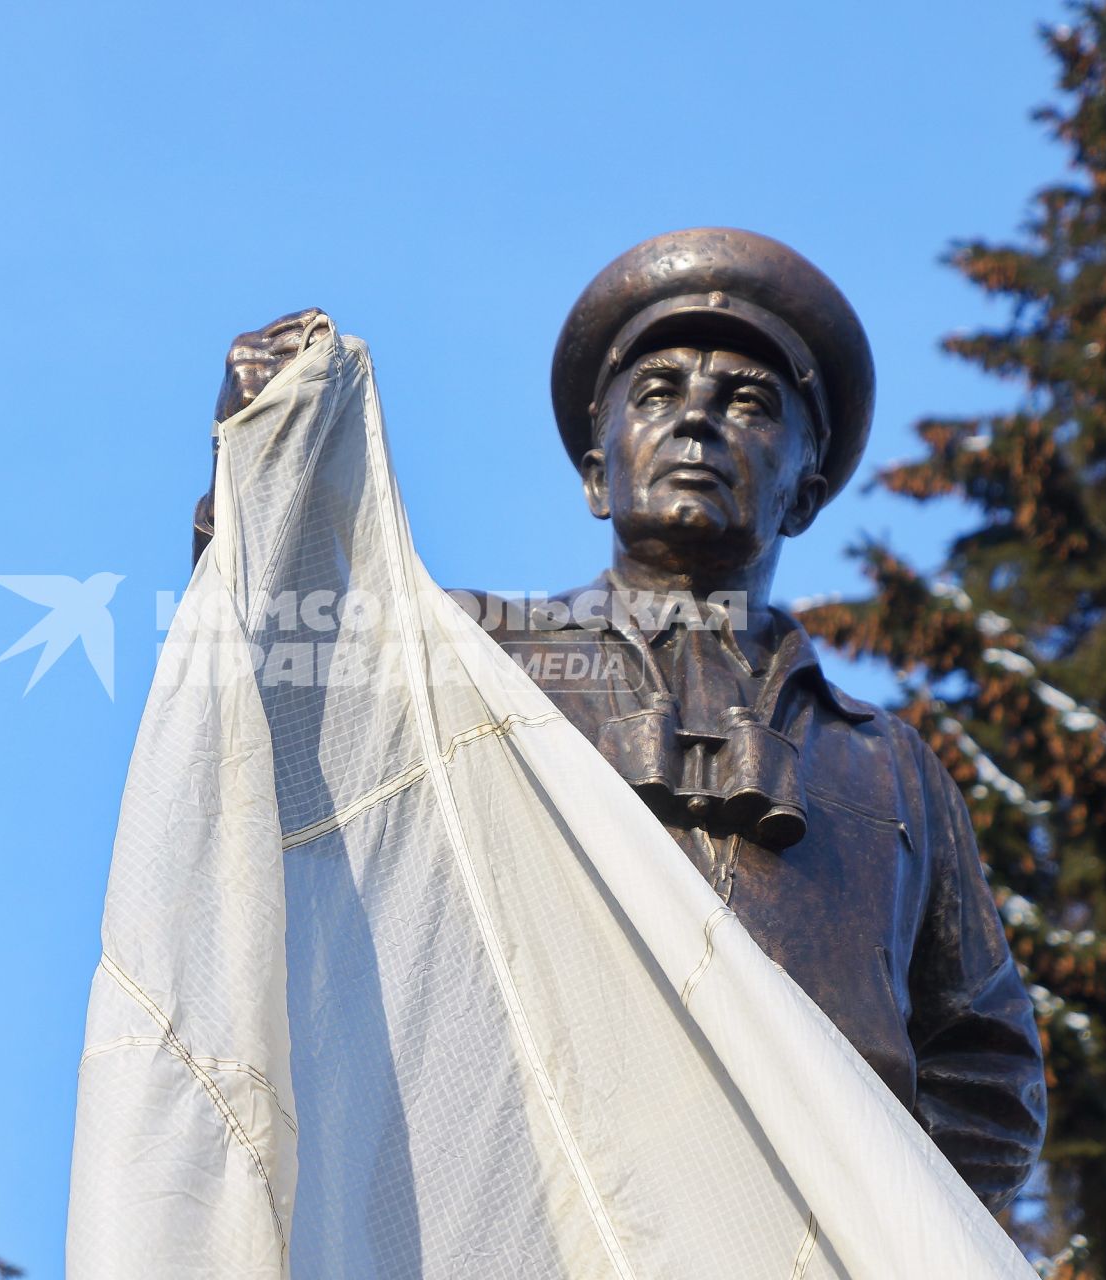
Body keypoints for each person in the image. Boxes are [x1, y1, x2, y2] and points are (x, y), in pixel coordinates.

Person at [192, 228, 1046, 1210]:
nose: (695, 422)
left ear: (806, 487)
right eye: (654, 394)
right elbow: (279, 685)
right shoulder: (475, 656)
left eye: (748, 401)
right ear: (597, 470)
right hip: (522, 1213)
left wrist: (893, 1228)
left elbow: (983, 1068)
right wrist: (260, 459)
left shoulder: (890, 770)